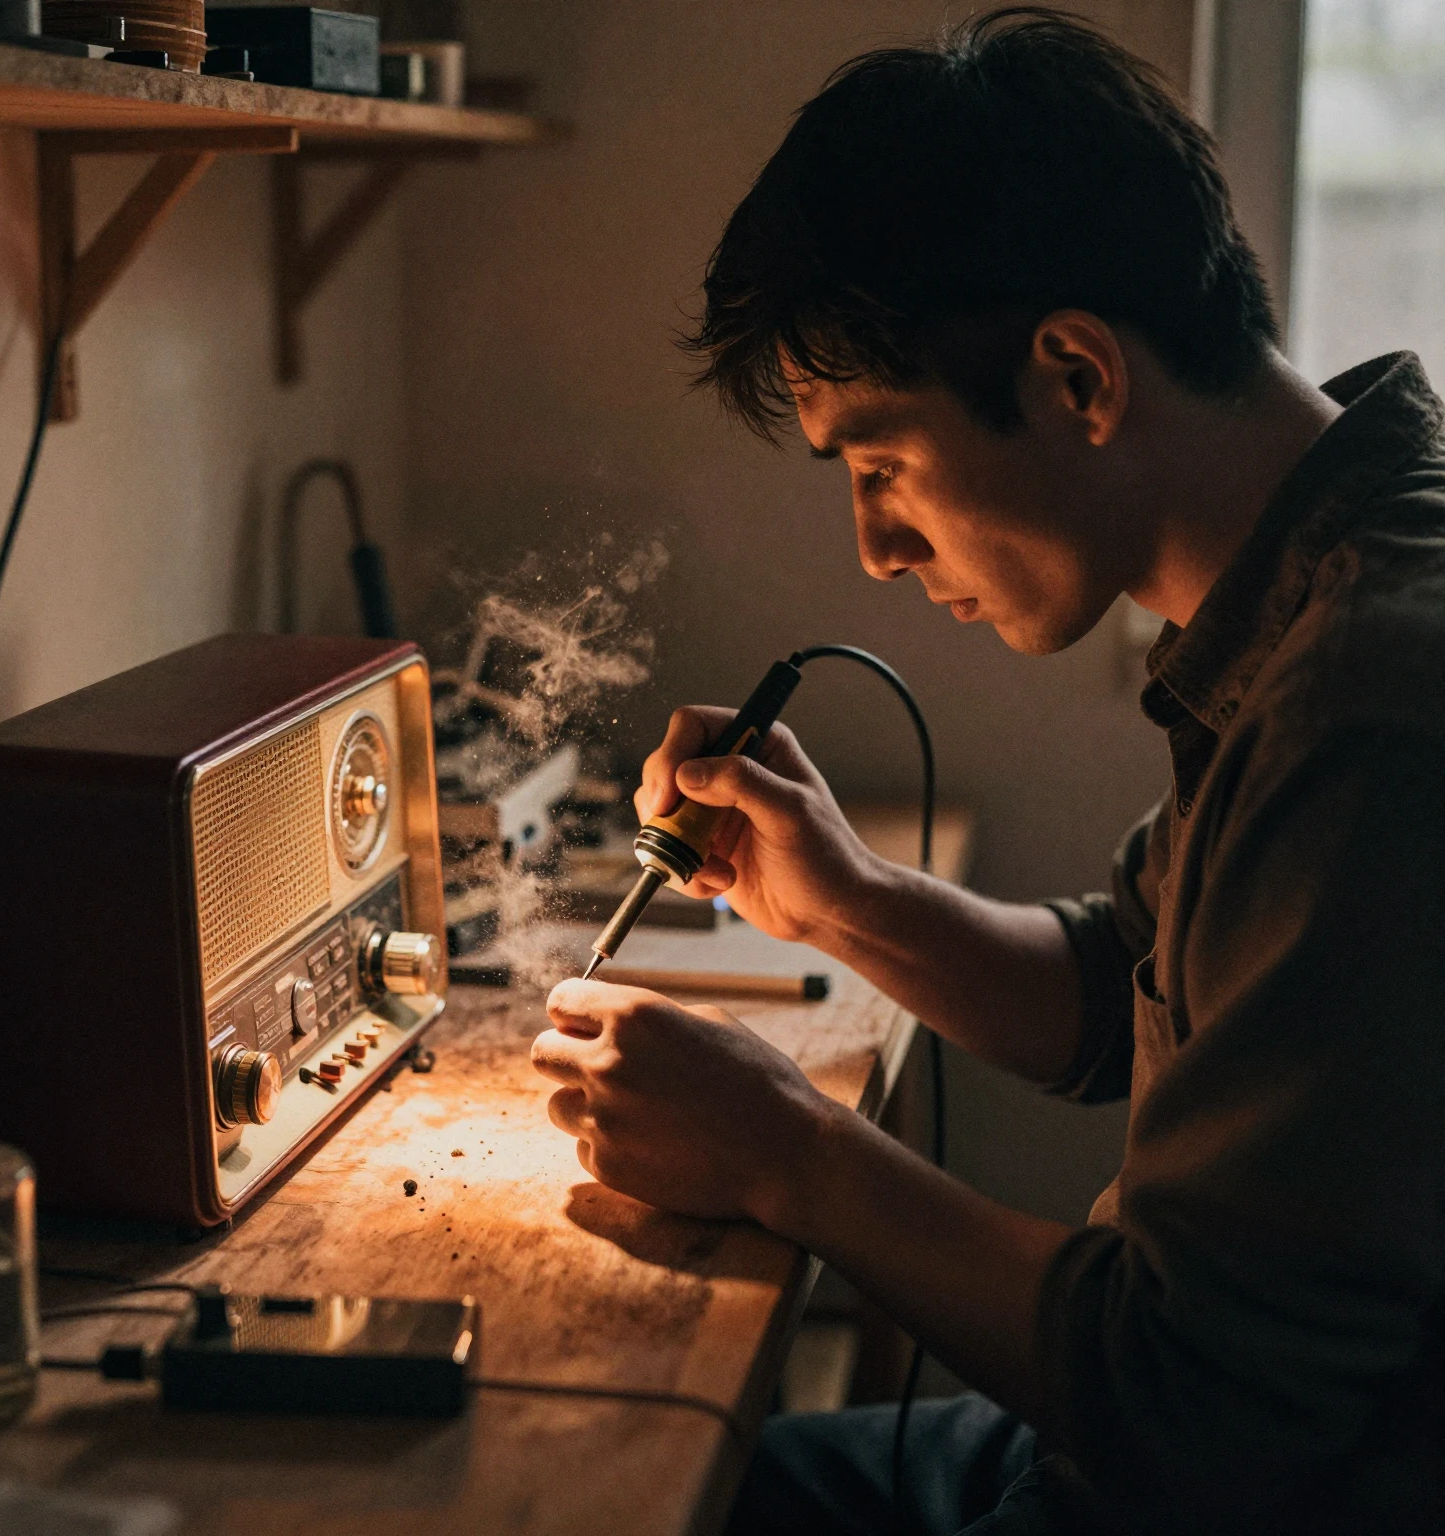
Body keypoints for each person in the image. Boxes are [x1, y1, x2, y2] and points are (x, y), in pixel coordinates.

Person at [529, 10, 1445, 1533]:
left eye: (882, 465)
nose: (878, 550)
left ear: (1077, 376)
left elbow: (1192, 1401)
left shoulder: (1373, 705)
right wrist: (844, 899)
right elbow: (1113, 990)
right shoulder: (1314, 580)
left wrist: (786, 1152)